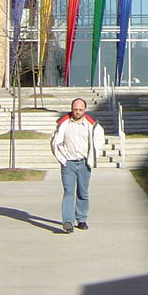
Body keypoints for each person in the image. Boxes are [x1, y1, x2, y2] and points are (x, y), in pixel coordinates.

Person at [50, 98, 105, 233]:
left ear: (84, 110)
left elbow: (99, 141)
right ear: (72, 109)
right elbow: (55, 141)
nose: (77, 112)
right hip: (68, 163)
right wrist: (63, 158)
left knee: (83, 193)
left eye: (80, 110)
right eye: (75, 109)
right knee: (69, 192)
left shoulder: (91, 125)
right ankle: (68, 221)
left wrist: (91, 157)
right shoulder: (64, 124)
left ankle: (81, 219)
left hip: (83, 163)